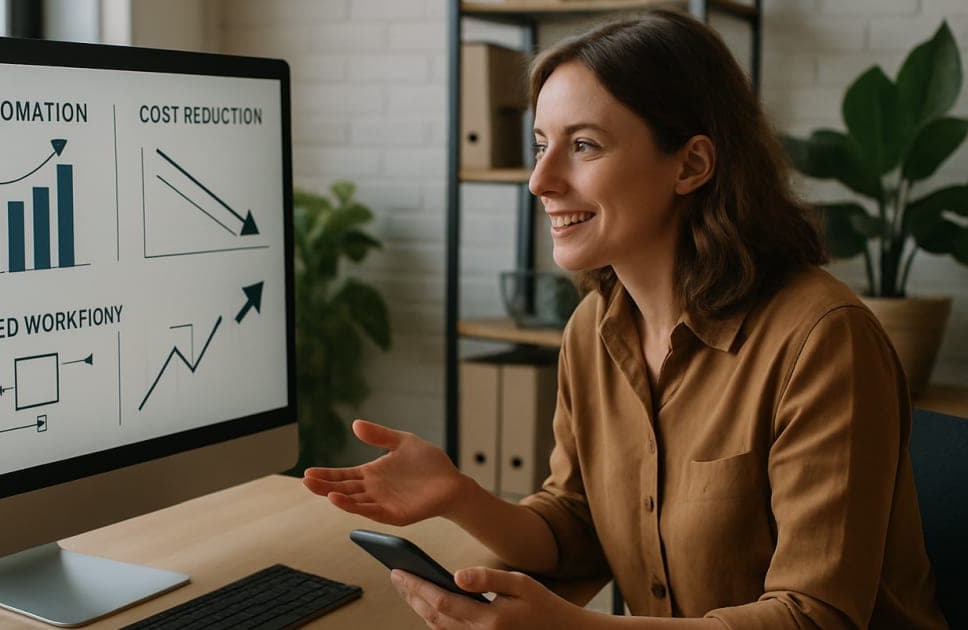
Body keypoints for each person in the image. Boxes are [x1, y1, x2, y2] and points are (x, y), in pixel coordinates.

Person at [302, 9, 947, 629]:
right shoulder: (592, 331)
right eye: (540, 145)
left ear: (691, 164)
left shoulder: (822, 338)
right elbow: (576, 526)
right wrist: (458, 496)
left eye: (583, 145)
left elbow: (815, 618)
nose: (540, 181)